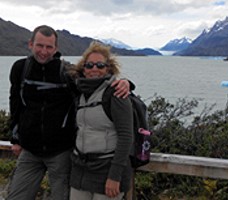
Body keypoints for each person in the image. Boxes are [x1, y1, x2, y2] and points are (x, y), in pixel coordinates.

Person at [7, 25, 131, 200]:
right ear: (30, 44)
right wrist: (15, 137)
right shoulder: (20, 68)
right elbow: (16, 103)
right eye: (40, 45)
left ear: (56, 48)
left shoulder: (67, 71)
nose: (44, 51)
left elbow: (95, 79)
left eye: (49, 47)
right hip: (30, 150)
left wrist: (125, 82)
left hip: (60, 152)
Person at [69, 42, 133, 200]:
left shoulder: (116, 94)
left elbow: (126, 137)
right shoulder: (79, 92)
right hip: (81, 170)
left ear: (108, 68)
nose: (94, 69)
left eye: (100, 65)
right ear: (83, 69)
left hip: (107, 171)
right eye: (89, 65)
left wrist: (115, 176)